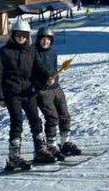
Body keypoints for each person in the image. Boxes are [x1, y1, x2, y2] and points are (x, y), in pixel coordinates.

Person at [0, 18, 56, 171]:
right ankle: (14, 157)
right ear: (13, 35)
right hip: (12, 93)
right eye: (18, 35)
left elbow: (39, 68)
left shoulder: (31, 51)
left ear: (28, 36)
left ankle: (40, 150)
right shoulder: (4, 52)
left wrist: (48, 76)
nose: (21, 38)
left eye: (24, 35)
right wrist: (0, 97)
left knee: (35, 120)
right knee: (17, 121)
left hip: (28, 92)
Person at [34, 26, 81, 159]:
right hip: (43, 90)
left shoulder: (53, 52)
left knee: (64, 115)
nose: (45, 41)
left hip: (56, 88)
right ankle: (51, 145)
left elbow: (53, 69)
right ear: (38, 39)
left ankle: (65, 143)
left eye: (48, 39)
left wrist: (56, 77)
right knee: (52, 117)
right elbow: (39, 68)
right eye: (43, 39)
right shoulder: (34, 53)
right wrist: (46, 78)